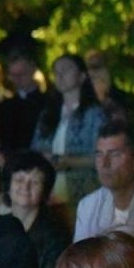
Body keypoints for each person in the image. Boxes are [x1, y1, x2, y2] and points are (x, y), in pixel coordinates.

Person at [31, 54, 104, 203]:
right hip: (48, 192)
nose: (60, 74)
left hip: (85, 191)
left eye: (66, 69)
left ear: (82, 76)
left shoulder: (95, 114)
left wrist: (69, 161)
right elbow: (35, 149)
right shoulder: (47, 114)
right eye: (56, 71)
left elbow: (101, 156)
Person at [0, 49, 49, 152]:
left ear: (33, 70)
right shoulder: (5, 106)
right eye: (14, 75)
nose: (18, 80)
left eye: (22, 74)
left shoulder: (49, 103)